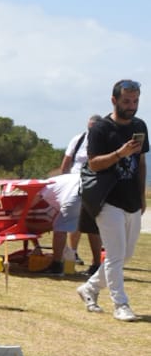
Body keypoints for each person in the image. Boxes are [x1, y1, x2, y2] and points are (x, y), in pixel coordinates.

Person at [76, 80, 147, 321]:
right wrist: (120, 153)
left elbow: (141, 163)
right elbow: (94, 163)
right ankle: (121, 305)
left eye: (135, 101)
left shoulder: (140, 125)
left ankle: (90, 288)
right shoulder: (100, 129)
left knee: (125, 255)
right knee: (116, 255)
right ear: (114, 100)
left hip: (131, 200)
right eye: (127, 101)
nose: (132, 106)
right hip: (107, 199)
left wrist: (141, 195)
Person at [60, 115, 103, 271]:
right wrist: (63, 181)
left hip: (93, 184)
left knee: (92, 224)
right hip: (73, 183)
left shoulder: (104, 141)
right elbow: (66, 162)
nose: (91, 130)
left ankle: (96, 262)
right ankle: (73, 253)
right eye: (89, 127)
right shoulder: (78, 139)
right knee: (73, 220)